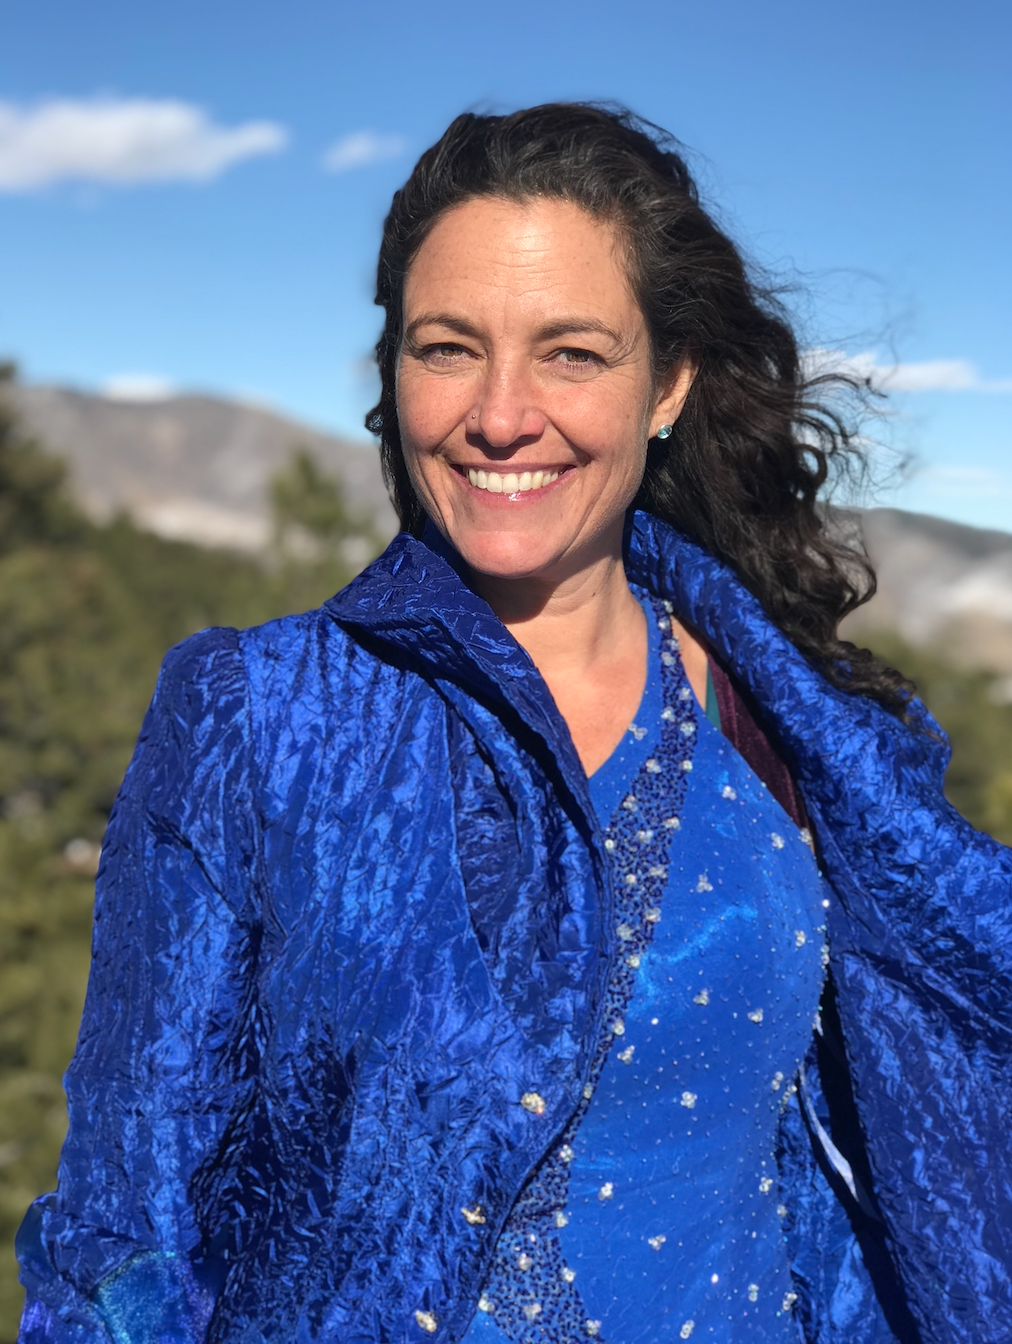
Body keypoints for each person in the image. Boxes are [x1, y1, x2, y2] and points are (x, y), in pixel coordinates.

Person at [15, 104, 1012, 1344]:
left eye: (571, 354)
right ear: (392, 374)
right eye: (447, 348)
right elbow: (124, 1226)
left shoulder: (798, 724)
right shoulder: (254, 718)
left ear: (670, 383)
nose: (498, 414)